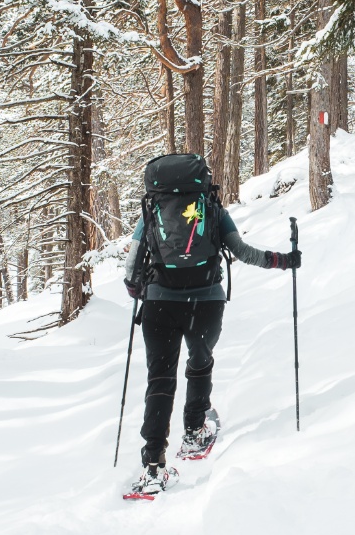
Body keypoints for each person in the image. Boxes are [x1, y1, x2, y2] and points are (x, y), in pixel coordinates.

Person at [122, 154, 300, 496]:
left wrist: (138, 288)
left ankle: (153, 466)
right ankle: (194, 431)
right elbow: (242, 252)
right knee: (200, 362)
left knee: (160, 378)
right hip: (205, 302)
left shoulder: (151, 211)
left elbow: (131, 269)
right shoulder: (213, 209)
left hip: (159, 303)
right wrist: (283, 260)